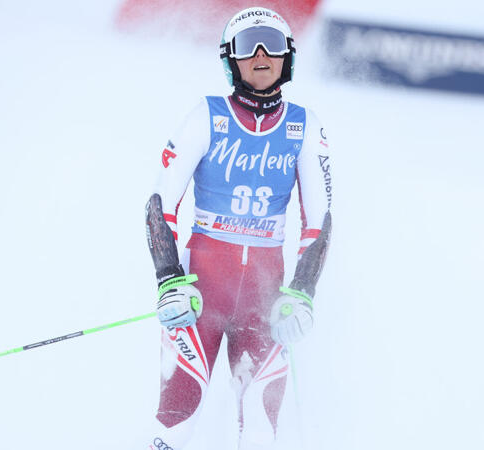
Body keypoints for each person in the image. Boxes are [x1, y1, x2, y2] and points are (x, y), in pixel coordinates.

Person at [143, 6, 332, 450]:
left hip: (263, 307)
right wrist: (169, 281)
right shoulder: (207, 116)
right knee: (176, 419)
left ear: (290, 56)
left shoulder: (304, 127)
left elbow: (318, 222)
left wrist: (302, 293)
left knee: (263, 429)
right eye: (248, 45)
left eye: (274, 43)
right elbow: (160, 205)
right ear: (230, 58)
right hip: (199, 297)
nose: (262, 54)